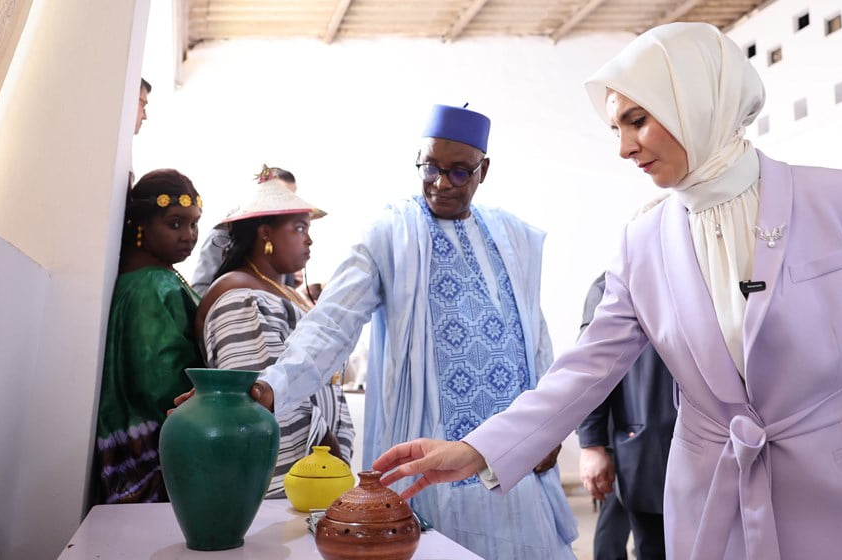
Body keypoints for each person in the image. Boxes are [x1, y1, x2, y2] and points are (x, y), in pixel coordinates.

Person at [373, 23, 842, 560]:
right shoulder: (643, 241)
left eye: (637, 120)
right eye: (616, 127)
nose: (623, 147)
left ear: (696, 100)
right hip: (716, 507)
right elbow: (583, 372)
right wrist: (476, 448)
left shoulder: (835, 199)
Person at [184, 104, 579, 559]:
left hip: (512, 457)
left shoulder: (513, 238)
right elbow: (332, 323)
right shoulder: (390, 234)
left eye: (458, 172)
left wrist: (549, 428)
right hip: (431, 457)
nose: (440, 182)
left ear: (483, 170)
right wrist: (269, 388)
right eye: (430, 166)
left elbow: (532, 334)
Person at [195, 178, 354, 498]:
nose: (309, 240)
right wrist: (329, 464)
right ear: (265, 233)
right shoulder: (241, 294)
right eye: (298, 228)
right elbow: (265, 401)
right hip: (285, 487)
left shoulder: (274, 290)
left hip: (311, 479)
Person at [93, 169, 204, 504]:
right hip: (155, 448)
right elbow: (161, 383)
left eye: (194, 223)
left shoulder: (148, 277)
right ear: (141, 224)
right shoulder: (152, 286)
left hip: (130, 444)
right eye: (175, 223)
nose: (189, 235)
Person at [577, 272, 674, 560]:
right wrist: (592, 444)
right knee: (653, 546)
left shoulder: (713, 268)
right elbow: (591, 367)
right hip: (646, 446)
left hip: (715, 443)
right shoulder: (613, 282)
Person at [190, 165, 299, 296]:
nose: (288, 204)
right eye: (281, 196)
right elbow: (202, 290)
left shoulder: (284, 240)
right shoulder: (224, 234)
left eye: (291, 198)